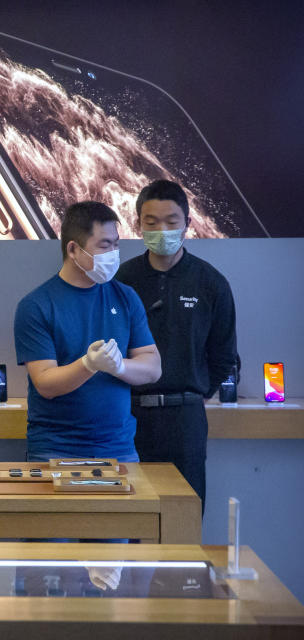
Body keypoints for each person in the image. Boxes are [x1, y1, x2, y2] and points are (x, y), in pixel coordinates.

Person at [116, 180, 239, 511]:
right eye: (151, 222)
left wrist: (192, 391)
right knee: (128, 515)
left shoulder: (210, 282)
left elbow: (224, 356)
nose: (162, 230)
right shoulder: (122, 281)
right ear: (138, 225)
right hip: (128, 413)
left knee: (183, 515)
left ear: (188, 224)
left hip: (185, 417)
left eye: (171, 222)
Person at [14, 201, 161, 462]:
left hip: (119, 448)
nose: (114, 253)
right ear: (73, 249)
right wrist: (88, 364)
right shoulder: (36, 305)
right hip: (55, 449)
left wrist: (118, 366)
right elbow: (45, 383)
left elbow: (152, 367)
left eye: (116, 244)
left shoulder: (126, 297)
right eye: (105, 245)